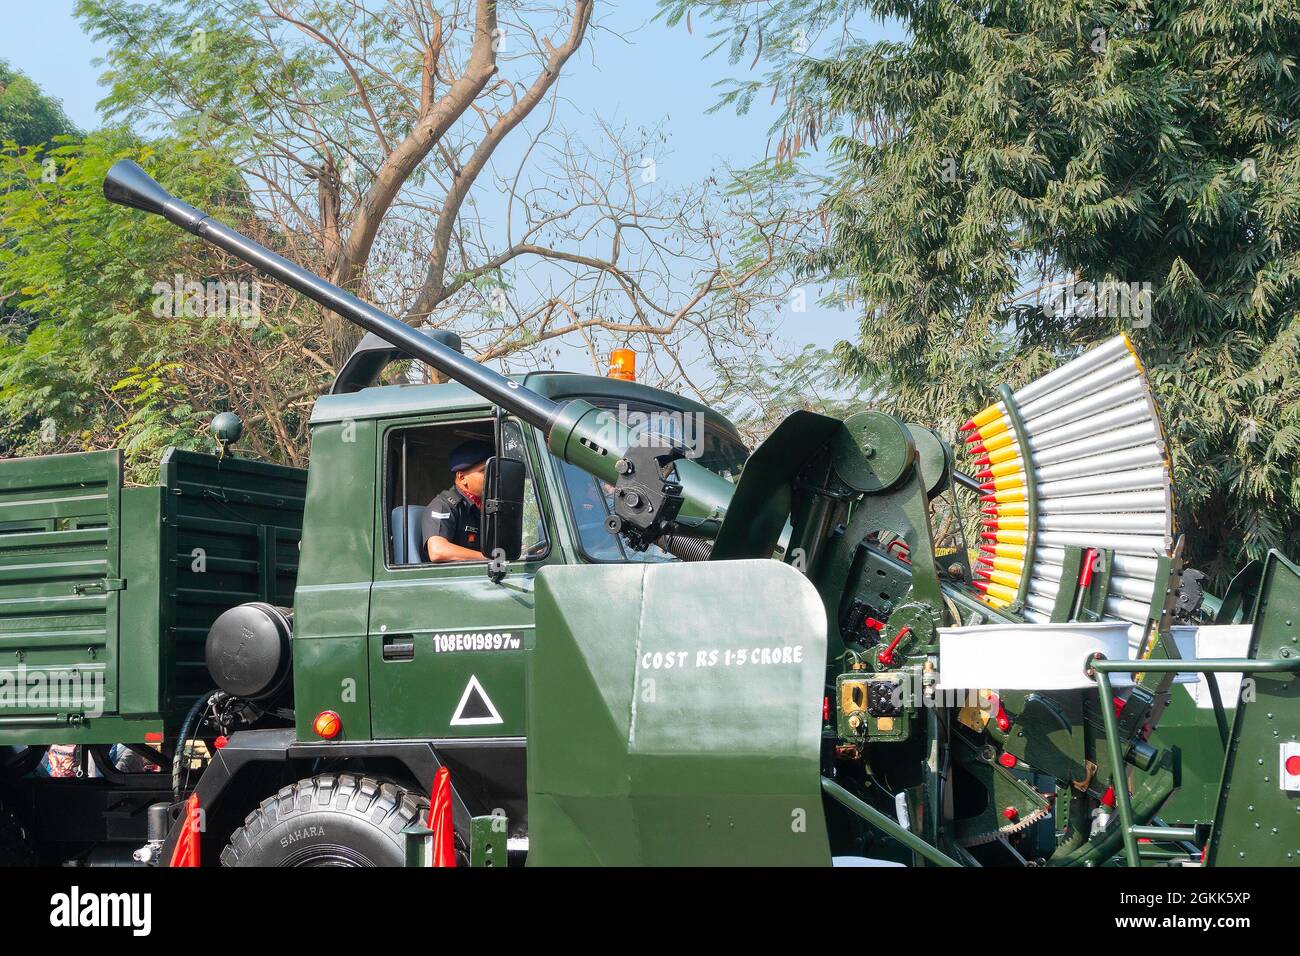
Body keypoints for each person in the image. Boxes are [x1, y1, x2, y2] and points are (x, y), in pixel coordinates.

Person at [422, 439, 493, 563]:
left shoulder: (487, 507)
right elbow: (438, 551)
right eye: (484, 471)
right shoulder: (444, 505)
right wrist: (491, 559)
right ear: (462, 477)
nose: (492, 477)